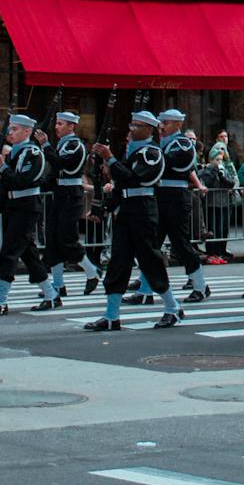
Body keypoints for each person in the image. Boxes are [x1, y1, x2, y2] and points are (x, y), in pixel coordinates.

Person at [85, 110, 183, 331]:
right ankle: (111, 315)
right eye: (131, 125)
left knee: (150, 261)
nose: (131, 130)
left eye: (136, 126)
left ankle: (172, 308)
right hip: (127, 210)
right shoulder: (131, 151)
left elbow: (133, 178)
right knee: (118, 262)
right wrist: (104, 208)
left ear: (148, 129)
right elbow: (120, 185)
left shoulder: (152, 153)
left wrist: (110, 159)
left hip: (143, 209)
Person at [0, 113, 49, 317]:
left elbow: (21, 181)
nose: (11, 132)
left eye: (15, 129)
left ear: (27, 131)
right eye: (10, 129)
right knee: (28, 253)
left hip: (26, 206)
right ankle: (51, 294)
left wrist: (2, 166)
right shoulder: (15, 153)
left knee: (9, 251)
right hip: (14, 205)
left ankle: (0, 300)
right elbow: (3, 186)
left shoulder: (33, 153)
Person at [135, 109, 207, 304]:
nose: (161, 126)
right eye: (160, 123)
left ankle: (200, 286)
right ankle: (145, 289)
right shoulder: (161, 145)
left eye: (166, 123)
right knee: (152, 245)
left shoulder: (182, 144)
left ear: (178, 125)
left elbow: (171, 164)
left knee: (181, 244)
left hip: (176, 197)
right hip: (161, 196)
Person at [41, 112, 102, 300]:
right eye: (56, 123)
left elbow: (62, 163)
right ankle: (59, 285)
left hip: (71, 196)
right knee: (52, 239)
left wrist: (45, 146)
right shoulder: (61, 145)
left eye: (60, 124)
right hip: (59, 195)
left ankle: (92, 272)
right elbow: (54, 173)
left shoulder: (75, 146)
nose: (56, 127)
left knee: (67, 239)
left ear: (71, 126)